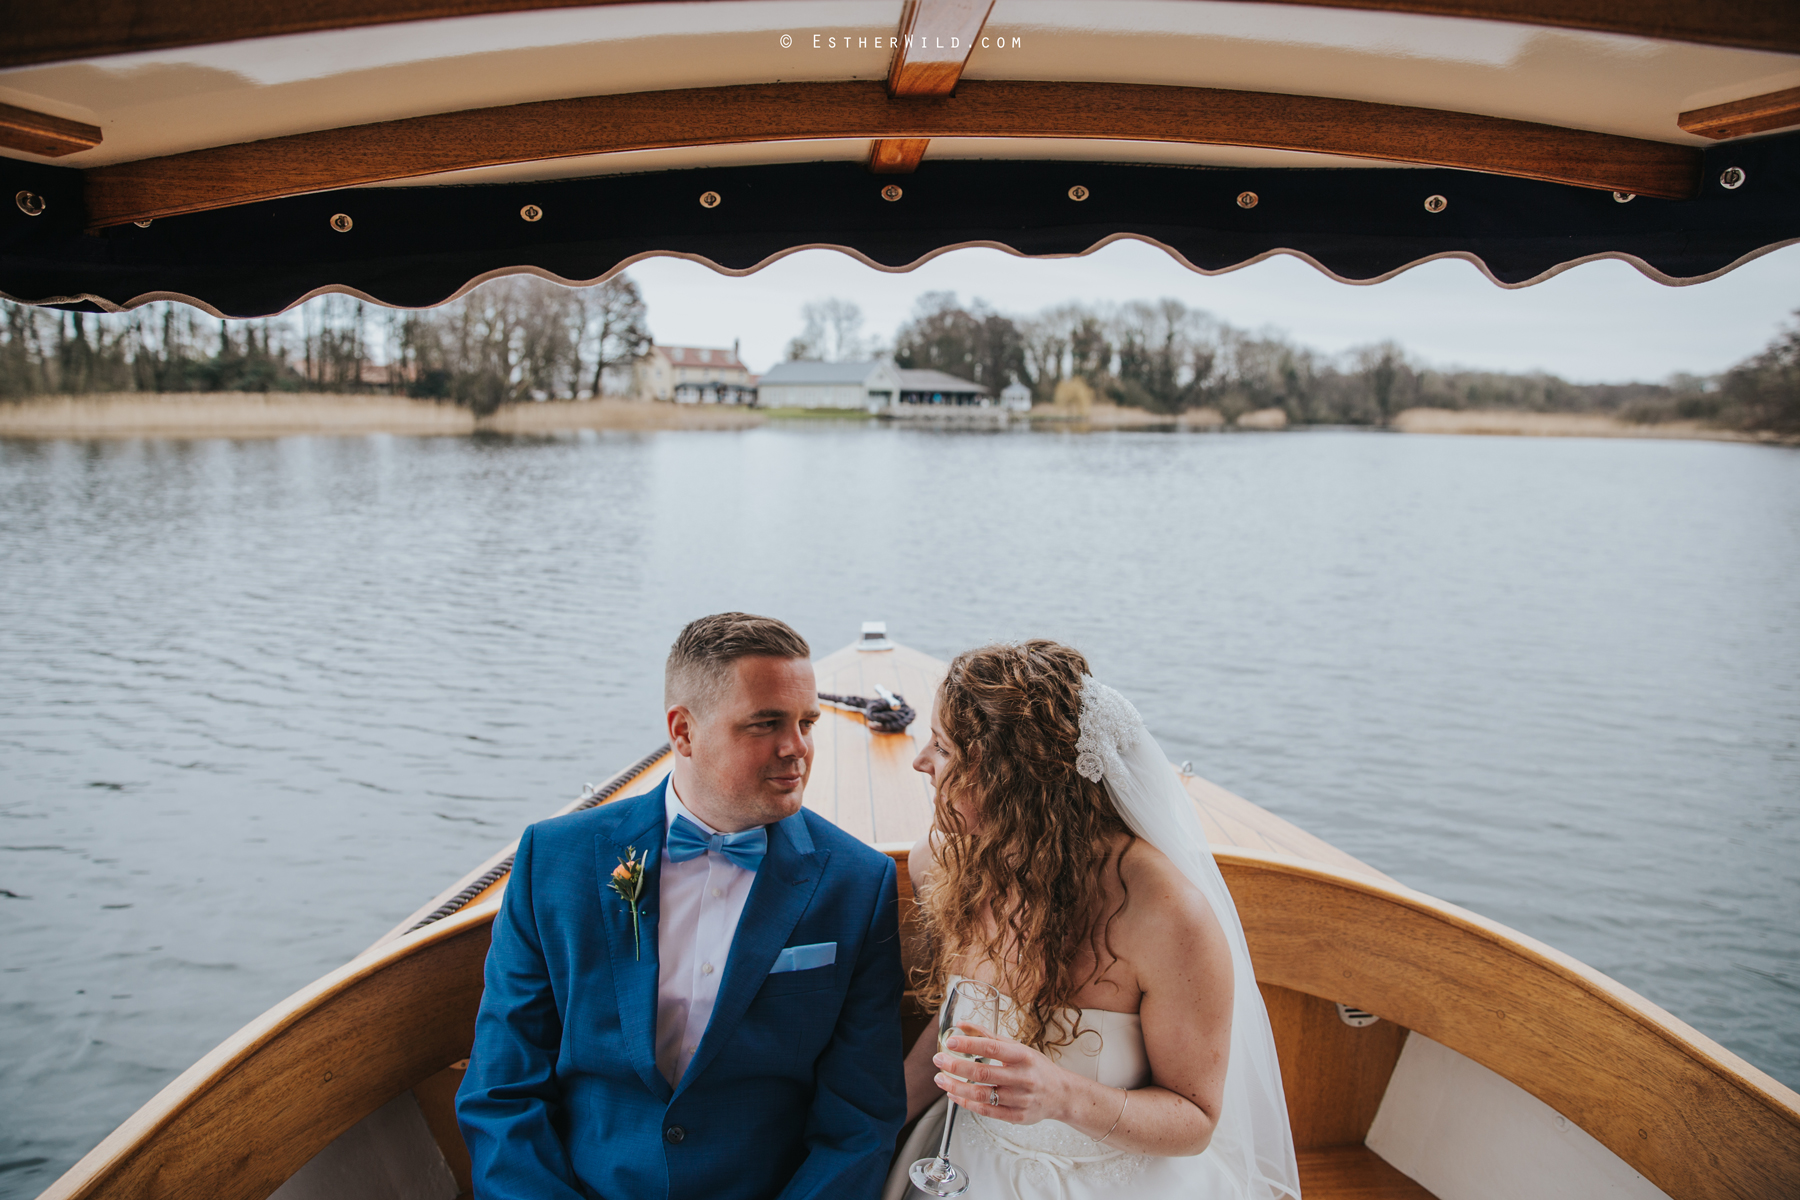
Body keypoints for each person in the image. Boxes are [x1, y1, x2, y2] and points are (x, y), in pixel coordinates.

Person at [458, 612, 907, 1200]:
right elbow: (502, 1088)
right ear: (683, 732)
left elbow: (860, 1121)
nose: (797, 749)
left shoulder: (857, 884)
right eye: (765, 723)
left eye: (806, 722)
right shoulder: (554, 862)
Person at [885, 641, 1300, 1200]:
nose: (920, 762)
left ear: (1010, 781)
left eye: (942, 746)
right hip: (964, 1158)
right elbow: (951, 1031)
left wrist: (1061, 1095)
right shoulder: (943, 862)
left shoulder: (1167, 916)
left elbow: (1195, 1120)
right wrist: (872, 1123)